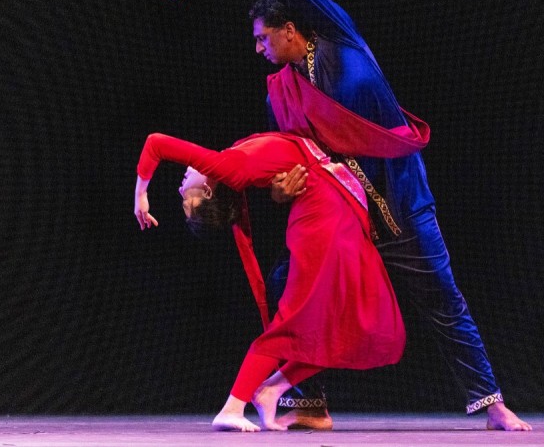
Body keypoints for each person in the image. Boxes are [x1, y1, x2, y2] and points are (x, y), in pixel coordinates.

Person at [170, 0, 532, 431]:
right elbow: (299, 159)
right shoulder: (280, 91)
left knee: (442, 298)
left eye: (262, 37)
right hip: (344, 216)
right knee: (288, 286)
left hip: (401, 204)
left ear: (291, 30)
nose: (258, 48)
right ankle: (310, 406)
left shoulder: (343, 41)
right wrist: (281, 192)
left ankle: (493, 406)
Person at [134, 106, 428, 430]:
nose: (179, 190)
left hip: (333, 209)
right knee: (295, 323)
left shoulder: (229, 163)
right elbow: (157, 143)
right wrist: (140, 194)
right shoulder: (226, 166)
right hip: (321, 222)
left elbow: (157, 143)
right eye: (186, 202)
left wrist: (141, 196)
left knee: (358, 323)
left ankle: (272, 389)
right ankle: (233, 406)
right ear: (206, 191)